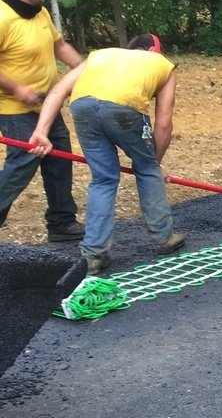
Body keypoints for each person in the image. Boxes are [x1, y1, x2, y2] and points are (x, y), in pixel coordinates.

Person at [28, 34, 184, 274]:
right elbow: (164, 124)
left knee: (103, 179)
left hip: (82, 106)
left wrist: (41, 132)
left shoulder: (99, 56)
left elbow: (58, 90)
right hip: (125, 107)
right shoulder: (162, 64)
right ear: (154, 51)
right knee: (147, 170)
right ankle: (165, 237)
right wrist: (154, 163)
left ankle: (93, 254)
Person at [0, 0, 85, 240]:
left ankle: (61, 222)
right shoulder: (2, 18)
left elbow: (59, 46)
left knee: (59, 158)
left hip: (47, 104)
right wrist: (17, 89)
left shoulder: (41, 13)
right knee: (23, 162)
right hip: (14, 108)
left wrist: (85, 69)